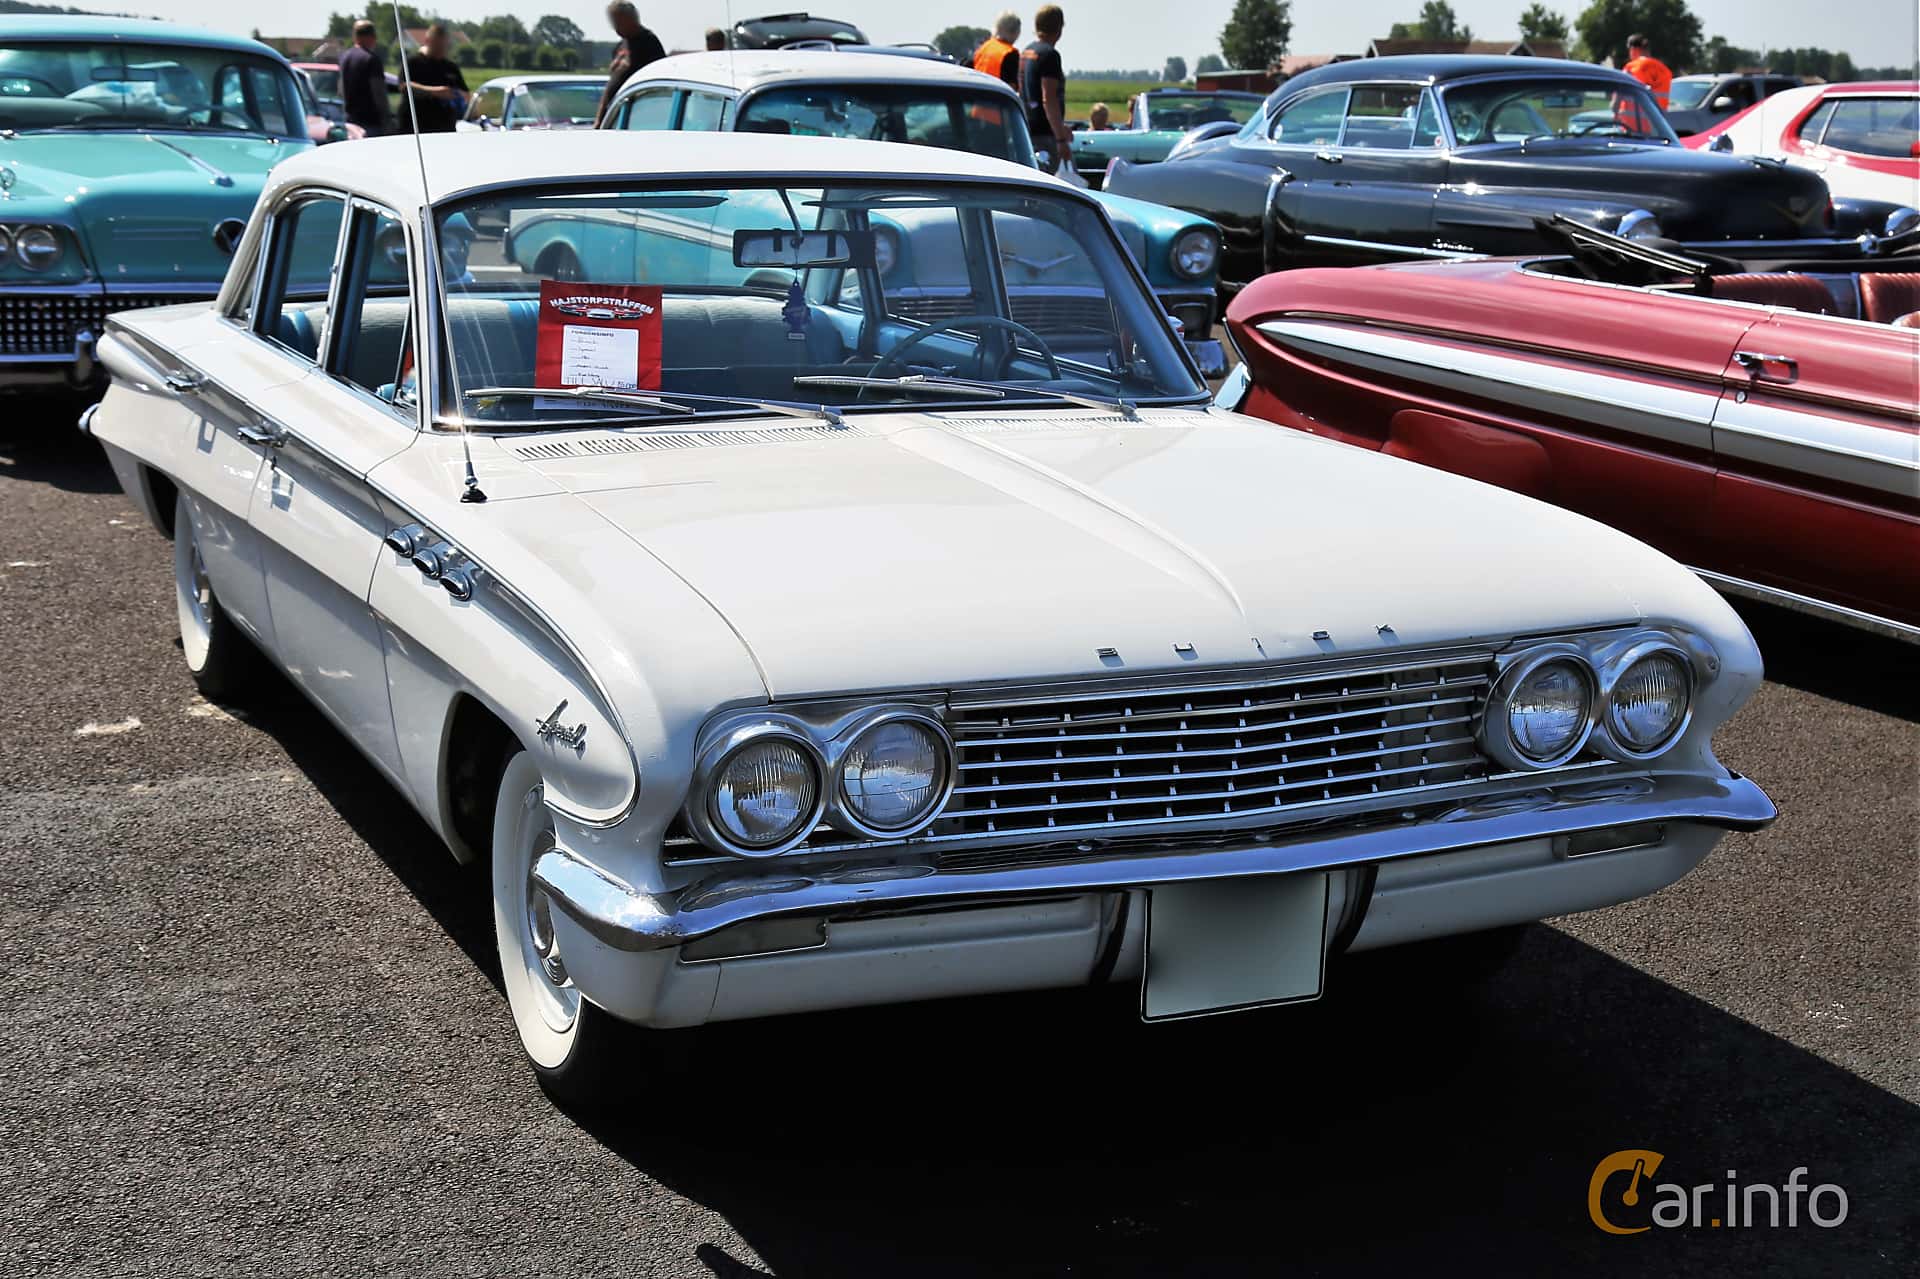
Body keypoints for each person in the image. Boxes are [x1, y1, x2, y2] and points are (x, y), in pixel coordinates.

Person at [595, 1, 668, 126]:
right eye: (613, 22)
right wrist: (599, 118)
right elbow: (611, 85)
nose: (615, 27)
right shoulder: (621, 45)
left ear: (631, 18)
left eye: (618, 21)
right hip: (615, 113)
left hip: (638, 113)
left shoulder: (648, 42)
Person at [1022, 6, 1070, 173]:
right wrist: (1061, 138)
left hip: (1026, 129)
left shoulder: (1027, 52)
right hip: (1044, 135)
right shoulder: (1050, 55)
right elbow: (1048, 98)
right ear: (1059, 28)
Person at [399, 22, 467, 133]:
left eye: (444, 46)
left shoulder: (451, 67)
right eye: (438, 46)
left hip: (445, 128)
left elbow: (465, 92)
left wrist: (461, 96)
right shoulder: (413, 63)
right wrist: (435, 92)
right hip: (415, 128)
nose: (441, 50)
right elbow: (404, 86)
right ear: (428, 42)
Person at [338, 20, 392, 136]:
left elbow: (341, 90)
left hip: (351, 122)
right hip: (371, 122)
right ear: (371, 37)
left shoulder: (344, 58)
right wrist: (387, 120)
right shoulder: (372, 59)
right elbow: (379, 93)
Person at [1620, 32, 1672, 134]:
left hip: (1632, 127)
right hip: (1658, 126)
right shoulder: (1664, 70)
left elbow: (1617, 99)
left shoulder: (1631, 68)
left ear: (1633, 49)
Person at [972, 12, 1021, 94]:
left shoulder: (982, 48)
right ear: (1015, 32)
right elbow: (1011, 89)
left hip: (978, 99)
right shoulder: (1010, 54)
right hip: (997, 101)